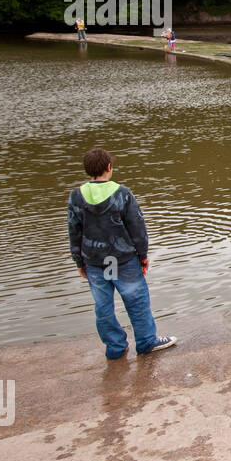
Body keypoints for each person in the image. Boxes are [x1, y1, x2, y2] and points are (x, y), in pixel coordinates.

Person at [66, 147, 177, 360]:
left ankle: (115, 347)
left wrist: (78, 261)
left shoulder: (76, 196)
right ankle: (146, 342)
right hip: (123, 259)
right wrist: (143, 255)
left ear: (87, 170)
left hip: (95, 261)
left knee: (103, 306)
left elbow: (74, 231)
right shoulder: (122, 193)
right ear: (109, 167)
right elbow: (137, 226)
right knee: (137, 301)